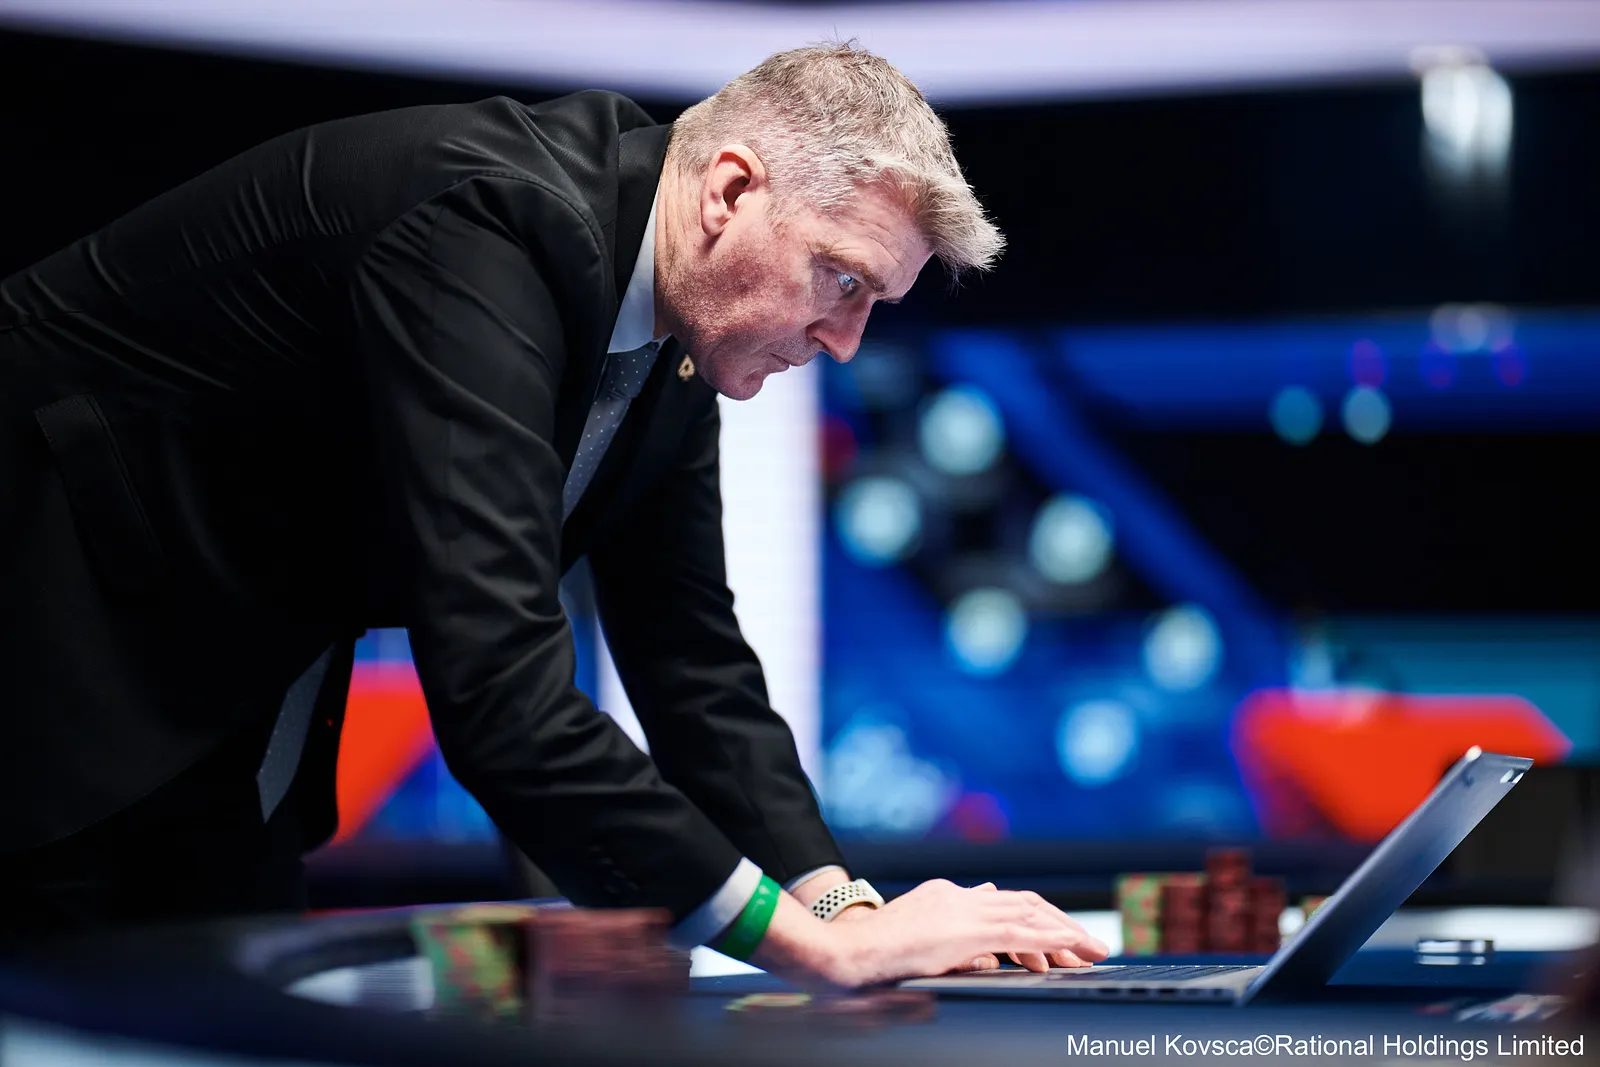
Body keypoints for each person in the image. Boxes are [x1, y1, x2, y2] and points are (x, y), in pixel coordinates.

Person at [0, 40, 1108, 984]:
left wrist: (840, 903)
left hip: (219, 686)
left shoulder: (679, 329)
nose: (846, 341)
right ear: (729, 192)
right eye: (843, 279)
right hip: (51, 649)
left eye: (874, 303)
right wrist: (809, 948)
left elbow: (690, 658)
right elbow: (497, 683)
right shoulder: (490, 223)